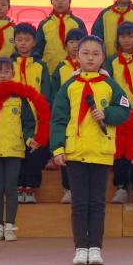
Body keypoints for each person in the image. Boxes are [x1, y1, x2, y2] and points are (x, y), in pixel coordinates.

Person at [49, 35, 131, 265]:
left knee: (97, 202)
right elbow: (58, 119)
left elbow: (125, 109)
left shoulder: (109, 84)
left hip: (100, 151)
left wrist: (107, 114)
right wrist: (57, 147)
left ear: (103, 57)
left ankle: (95, 247)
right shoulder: (69, 86)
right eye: (85, 53)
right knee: (79, 203)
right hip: (75, 152)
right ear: (77, 56)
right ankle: (80, 247)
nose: (90, 58)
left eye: (96, 54)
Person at [0, 57, 38, 242]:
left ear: (13, 73)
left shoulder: (20, 98)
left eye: (7, 71)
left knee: (11, 188)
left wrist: (30, 139)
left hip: (14, 149)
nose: (3, 75)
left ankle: (10, 226)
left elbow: (28, 123)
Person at [105, 21, 133, 204]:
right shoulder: (111, 62)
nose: (126, 40)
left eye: (130, 36)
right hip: (118, 113)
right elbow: (107, 86)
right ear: (118, 39)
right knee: (119, 151)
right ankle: (121, 187)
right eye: (122, 36)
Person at [9, 24, 49, 205]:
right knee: (17, 152)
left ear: (34, 42)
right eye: (19, 40)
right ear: (14, 42)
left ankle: (31, 188)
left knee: (33, 152)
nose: (23, 43)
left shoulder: (41, 66)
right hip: (13, 116)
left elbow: (46, 91)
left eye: (27, 40)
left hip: (36, 117)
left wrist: (43, 112)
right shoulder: (8, 64)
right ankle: (18, 187)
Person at [48, 28, 86, 205]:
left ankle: (83, 189)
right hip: (67, 116)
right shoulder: (61, 68)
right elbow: (55, 93)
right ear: (65, 46)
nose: (75, 45)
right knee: (66, 150)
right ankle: (68, 188)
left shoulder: (92, 67)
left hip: (86, 116)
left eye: (79, 42)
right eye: (71, 42)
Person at [35, 0, 87, 70]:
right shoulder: (44, 24)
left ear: (69, 1)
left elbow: (85, 46)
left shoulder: (77, 23)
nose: (60, 2)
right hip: (49, 70)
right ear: (51, 1)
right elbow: (38, 48)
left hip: (74, 69)